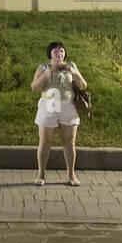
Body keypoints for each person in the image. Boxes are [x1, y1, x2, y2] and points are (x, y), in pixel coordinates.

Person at [31, 42, 87, 187]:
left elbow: (83, 85)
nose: (59, 54)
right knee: (44, 142)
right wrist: (48, 73)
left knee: (69, 142)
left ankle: (71, 175)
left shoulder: (72, 67)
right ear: (50, 53)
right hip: (48, 107)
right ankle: (41, 174)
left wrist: (74, 73)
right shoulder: (43, 67)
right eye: (56, 51)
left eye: (62, 51)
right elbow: (35, 87)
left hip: (67, 107)